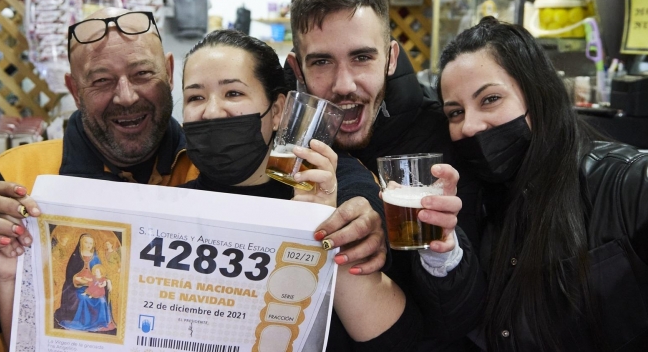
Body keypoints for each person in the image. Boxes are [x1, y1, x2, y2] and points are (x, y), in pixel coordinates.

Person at [0, 8, 391, 350]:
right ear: (74, 90)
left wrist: (355, 214)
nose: (126, 97)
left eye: (142, 74)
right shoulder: (21, 175)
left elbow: (330, 181)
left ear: (166, 75)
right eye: (101, 81)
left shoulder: (216, 166)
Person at [179, 29, 449, 349]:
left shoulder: (324, 189)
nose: (211, 111)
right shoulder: (172, 206)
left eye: (233, 93)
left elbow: (396, 340)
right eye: (195, 97)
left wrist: (320, 227)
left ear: (278, 111)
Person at [438, 16, 648, 351]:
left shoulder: (624, 180)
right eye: (455, 113)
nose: (471, 126)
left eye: (490, 99)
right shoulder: (476, 203)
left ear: (537, 95)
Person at [286, 0, 485, 348]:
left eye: (362, 57)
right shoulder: (283, 139)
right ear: (297, 68)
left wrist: (443, 252)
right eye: (322, 61)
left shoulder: (446, 137)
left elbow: (464, 318)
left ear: (391, 59)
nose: (344, 85)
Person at [55, 235, 115, 332]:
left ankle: (99, 322)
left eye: (91, 243)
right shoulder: (75, 256)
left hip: (94, 286)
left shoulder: (95, 257)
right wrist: (77, 279)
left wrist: (107, 281)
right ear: (81, 243)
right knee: (83, 298)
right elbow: (69, 274)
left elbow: (103, 272)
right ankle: (81, 322)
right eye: (86, 242)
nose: (88, 245)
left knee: (101, 300)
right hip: (77, 287)